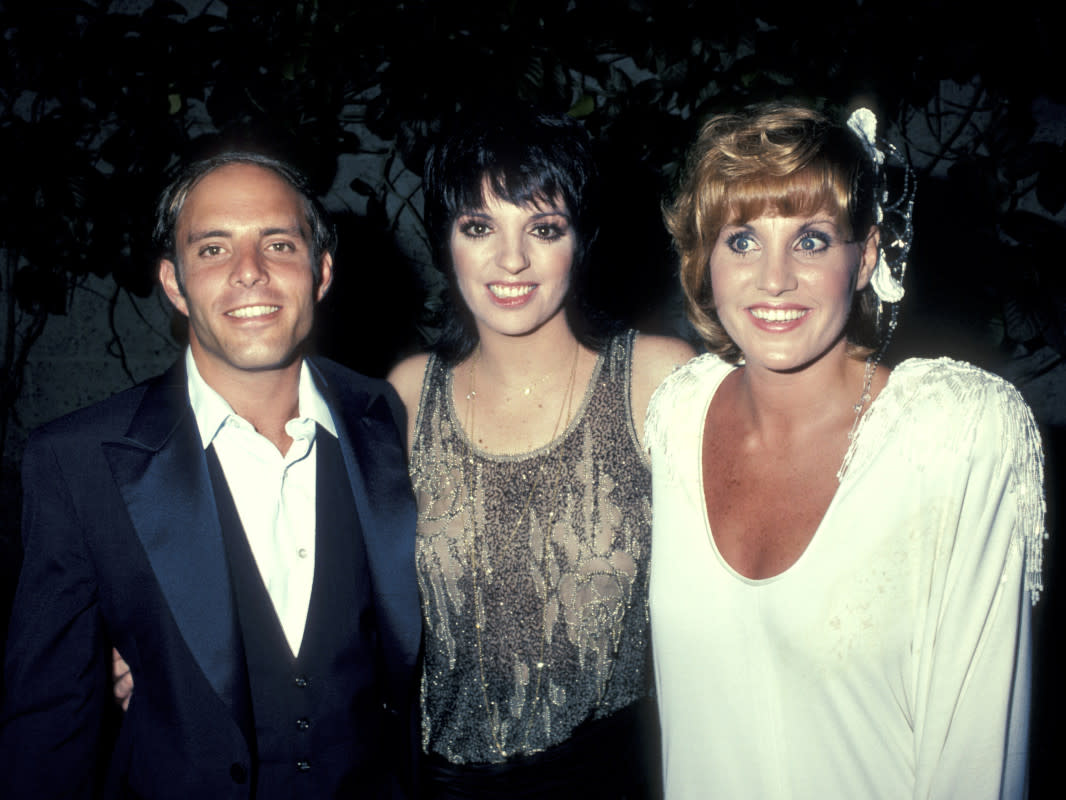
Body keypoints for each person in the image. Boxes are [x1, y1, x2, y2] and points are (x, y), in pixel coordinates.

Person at [646, 102, 1046, 798]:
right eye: (741, 241)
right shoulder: (677, 415)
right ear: (703, 258)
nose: (774, 279)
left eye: (810, 240)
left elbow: (977, 753)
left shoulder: (954, 434)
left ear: (865, 257)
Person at [0, 152, 422, 798]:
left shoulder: (388, 421)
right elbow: (50, 723)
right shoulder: (78, 461)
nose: (249, 273)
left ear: (321, 271)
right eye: (213, 249)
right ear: (174, 283)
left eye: (278, 244)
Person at [386, 108, 695, 798]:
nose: (512, 259)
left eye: (543, 228)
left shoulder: (656, 378)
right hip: (442, 786)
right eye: (478, 227)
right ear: (446, 243)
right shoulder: (407, 397)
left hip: (613, 777)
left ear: (580, 241)